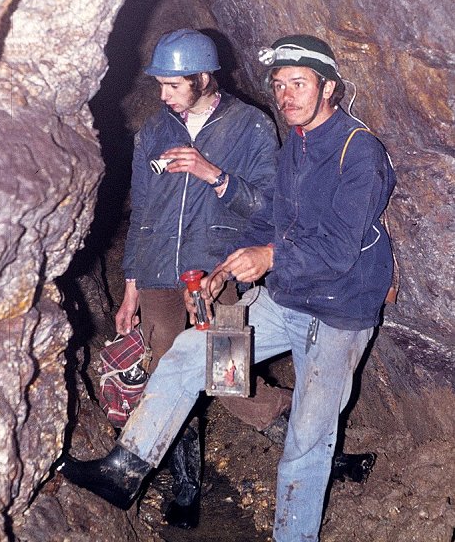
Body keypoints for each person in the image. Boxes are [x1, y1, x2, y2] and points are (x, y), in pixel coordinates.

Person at [58, 34, 396, 542]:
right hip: (281, 298)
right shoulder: (295, 145)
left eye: (299, 84)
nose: (287, 96)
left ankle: (293, 534)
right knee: (186, 358)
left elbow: (339, 248)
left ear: (329, 87)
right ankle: (124, 471)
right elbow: (272, 221)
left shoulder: (357, 152)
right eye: (280, 85)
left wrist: (267, 254)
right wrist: (227, 268)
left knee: (305, 438)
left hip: (338, 311)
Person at [109, 28, 291, 526]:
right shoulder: (153, 131)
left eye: (172, 85)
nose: (163, 96)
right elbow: (142, 212)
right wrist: (131, 287)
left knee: (227, 375)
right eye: (161, 85)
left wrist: (214, 174)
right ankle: (186, 488)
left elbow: (270, 207)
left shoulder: (250, 127)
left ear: (203, 78)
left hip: (220, 274)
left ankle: (318, 444)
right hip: (158, 280)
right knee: (166, 374)